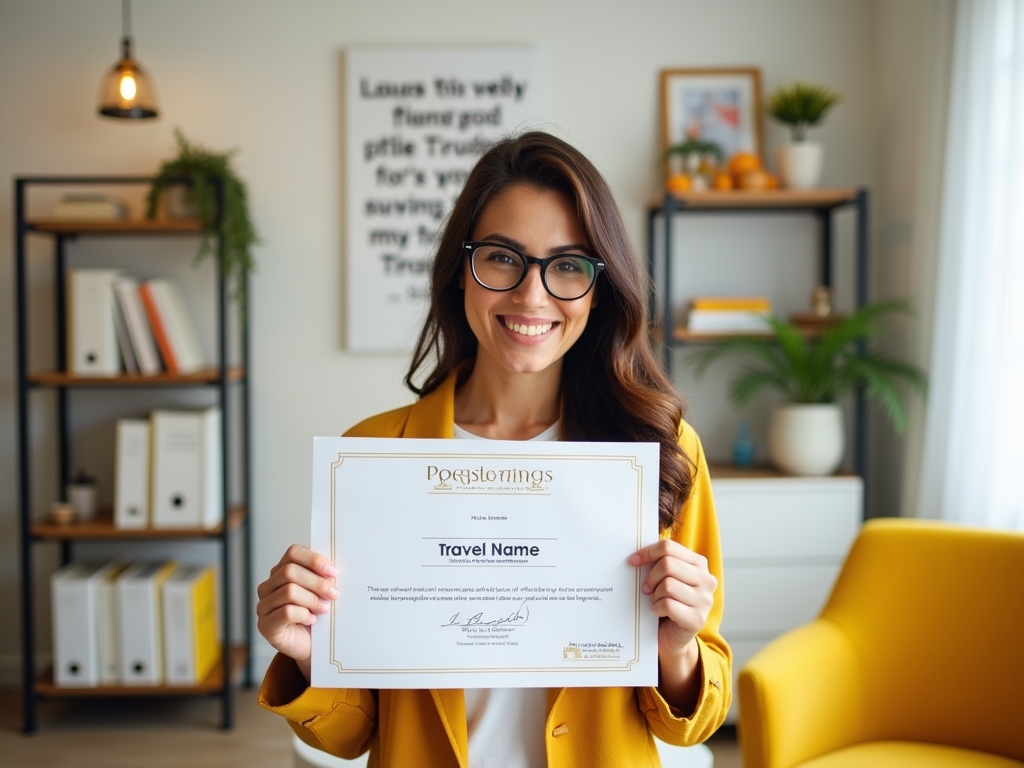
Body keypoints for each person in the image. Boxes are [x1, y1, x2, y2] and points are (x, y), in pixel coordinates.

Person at [256, 132, 731, 768]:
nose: (532, 296)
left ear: (600, 287)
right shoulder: (372, 456)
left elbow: (689, 727)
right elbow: (348, 735)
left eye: (567, 264)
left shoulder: (659, 452)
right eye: (504, 258)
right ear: (461, 269)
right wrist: (307, 651)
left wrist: (677, 648)